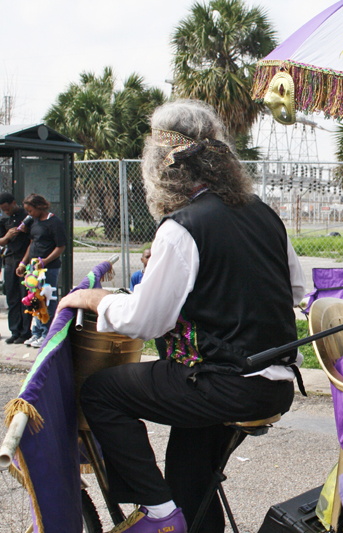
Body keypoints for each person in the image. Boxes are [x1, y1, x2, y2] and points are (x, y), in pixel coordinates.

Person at [56, 99, 306, 533]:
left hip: (224, 383)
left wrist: (94, 300)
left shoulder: (183, 227)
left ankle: (156, 513)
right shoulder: (263, 214)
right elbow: (296, 291)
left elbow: (143, 321)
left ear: (162, 168)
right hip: (274, 384)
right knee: (190, 476)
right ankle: (183, 516)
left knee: (100, 392)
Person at [15, 194, 66, 348]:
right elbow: (32, 243)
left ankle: (46, 334)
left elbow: (60, 246)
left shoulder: (55, 222)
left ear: (40, 207)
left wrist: (45, 261)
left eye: (30, 211)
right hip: (33, 268)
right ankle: (36, 332)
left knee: (47, 300)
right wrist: (23, 263)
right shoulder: (34, 222)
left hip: (48, 268)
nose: (29, 214)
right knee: (35, 300)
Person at [0, 193, 32, 344]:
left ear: (13, 203)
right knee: (11, 297)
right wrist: (6, 237)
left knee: (24, 297)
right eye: (3, 210)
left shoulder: (27, 216)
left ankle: (25, 332)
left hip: (24, 260)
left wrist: (26, 231)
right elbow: (1, 241)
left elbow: (35, 238)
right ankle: (14, 330)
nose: (6, 212)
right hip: (10, 260)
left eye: (7, 209)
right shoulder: (4, 219)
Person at [129, 247, 168, 360]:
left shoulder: (160, 275)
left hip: (157, 313)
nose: (150, 259)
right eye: (147, 257)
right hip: (143, 312)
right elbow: (133, 294)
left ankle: (164, 360)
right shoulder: (137, 276)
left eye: (152, 256)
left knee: (161, 341)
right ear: (142, 259)